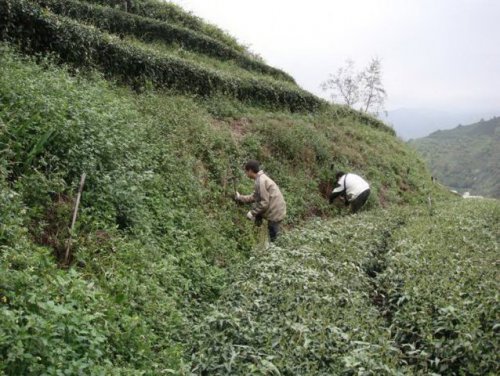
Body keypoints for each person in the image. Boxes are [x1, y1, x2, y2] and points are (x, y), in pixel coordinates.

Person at [235, 160, 286, 242]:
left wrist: (252, 213)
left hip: (275, 211)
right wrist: (240, 197)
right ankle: (256, 239)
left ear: (251, 171)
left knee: (274, 238)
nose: (246, 174)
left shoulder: (261, 181)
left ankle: (274, 250)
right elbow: (255, 197)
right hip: (277, 209)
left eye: (246, 171)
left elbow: (264, 203)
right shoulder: (261, 179)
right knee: (259, 219)